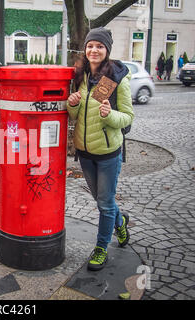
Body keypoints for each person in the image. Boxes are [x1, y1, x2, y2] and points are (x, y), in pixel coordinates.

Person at [67, 27, 134, 271]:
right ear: (85, 49)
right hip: (85, 153)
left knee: (105, 204)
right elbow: (76, 116)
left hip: (108, 154)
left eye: (99, 46)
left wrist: (109, 115)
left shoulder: (114, 78)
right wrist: (72, 104)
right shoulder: (81, 76)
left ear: (106, 51)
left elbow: (127, 116)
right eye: (90, 46)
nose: (94, 50)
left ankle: (101, 248)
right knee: (101, 200)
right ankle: (121, 221)